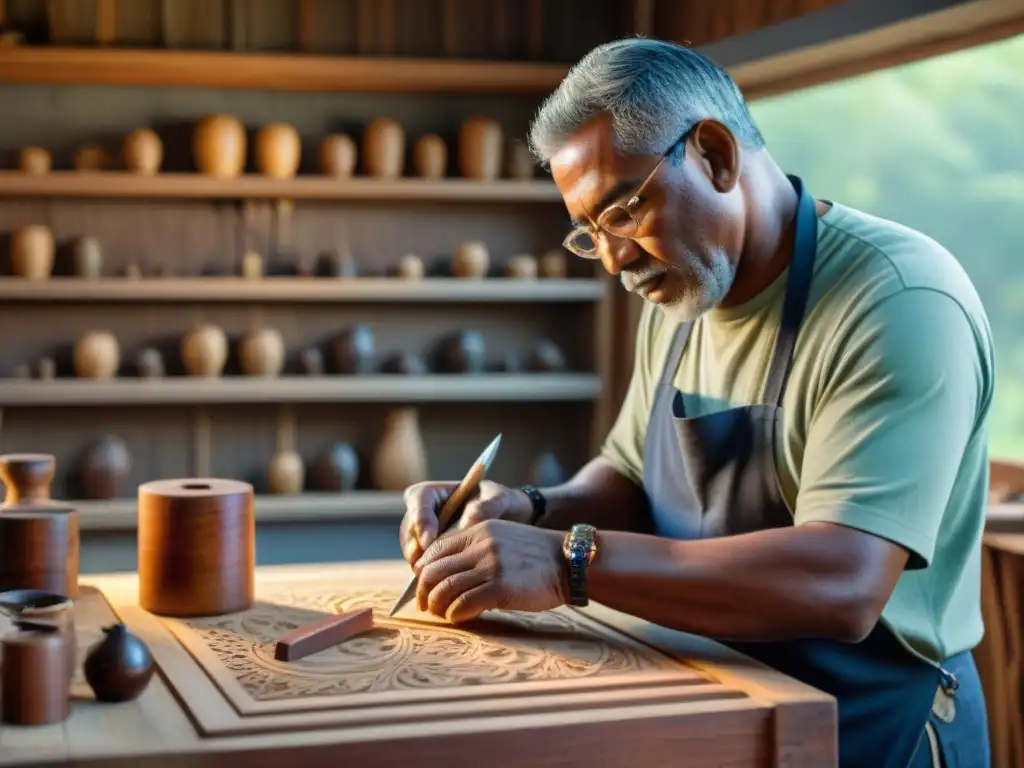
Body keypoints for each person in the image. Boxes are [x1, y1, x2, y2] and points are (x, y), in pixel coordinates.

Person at [399, 38, 994, 768]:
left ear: (713, 154)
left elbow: (842, 579)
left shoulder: (897, 300)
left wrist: (566, 564)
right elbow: (624, 478)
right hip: (724, 702)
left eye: (623, 208)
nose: (614, 258)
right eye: (589, 233)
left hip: (874, 729)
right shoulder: (684, 296)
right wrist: (527, 509)